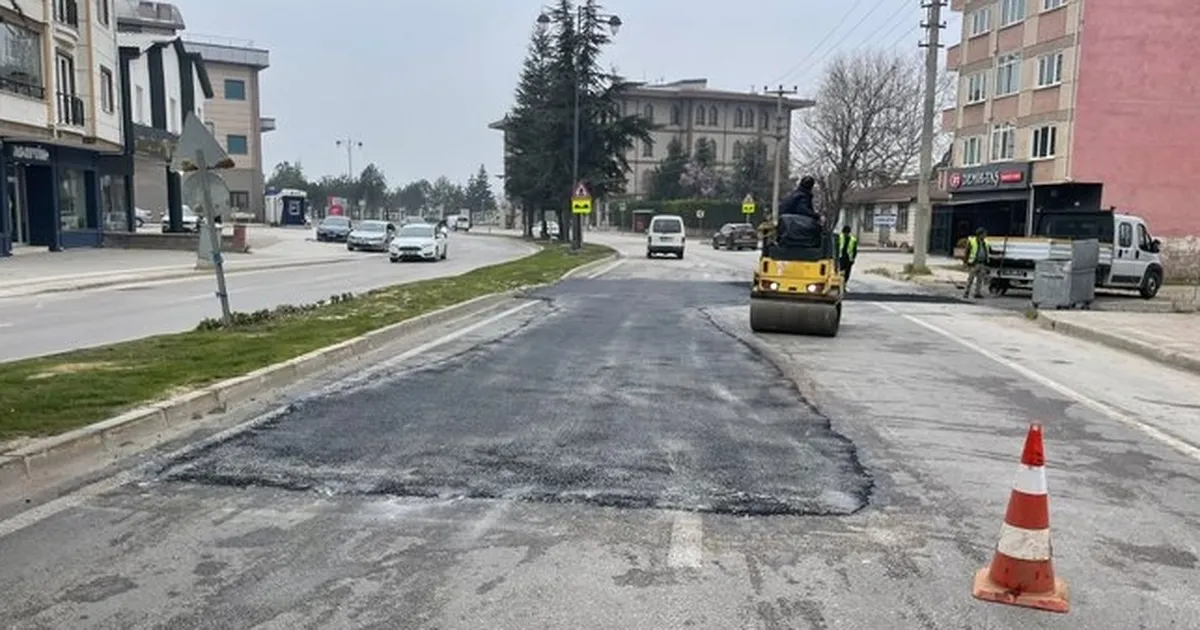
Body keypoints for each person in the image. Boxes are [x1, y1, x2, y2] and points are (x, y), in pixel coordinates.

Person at [963, 227, 990, 299]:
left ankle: (977, 293)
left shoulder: (985, 242)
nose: (985, 235)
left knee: (980, 279)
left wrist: (999, 253)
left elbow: (989, 250)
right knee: (970, 279)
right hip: (974, 263)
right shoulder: (972, 241)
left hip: (982, 263)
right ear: (980, 234)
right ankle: (966, 292)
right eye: (984, 234)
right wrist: (965, 262)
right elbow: (967, 252)